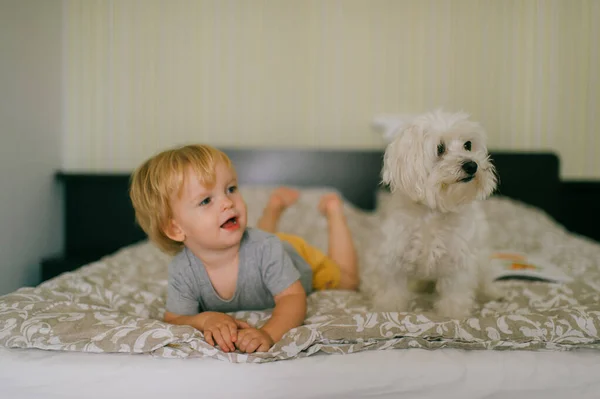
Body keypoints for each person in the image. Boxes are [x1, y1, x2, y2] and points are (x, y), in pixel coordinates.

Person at [129, 144, 359, 353]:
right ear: (176, 229)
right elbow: (175, 318)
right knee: (253, 239)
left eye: (230, 189)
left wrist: (268, 333)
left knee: (348, 282)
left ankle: (333, 211)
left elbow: (293, 298)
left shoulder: (267, 248)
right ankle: (275, 208)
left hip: (297, 255)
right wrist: (205, 320)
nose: (228, 202)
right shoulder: (183, 269)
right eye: (206, 200)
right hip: (261, 243)